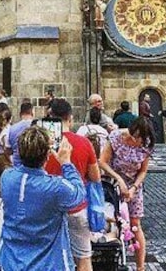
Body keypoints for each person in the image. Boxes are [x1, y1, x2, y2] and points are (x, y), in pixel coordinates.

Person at [0, 127, 85, 271]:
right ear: (47, 154)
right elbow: (78, 194)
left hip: (12, 260)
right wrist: (66, 163)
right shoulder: (56, 187)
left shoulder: (7, 177)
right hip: (48, 263)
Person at [45, 99, 100, 271]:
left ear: (50, 117)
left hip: (49, 208)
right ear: (70, 118)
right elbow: (95, 177)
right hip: (77, 207)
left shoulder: (44, 145)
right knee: (83, 259)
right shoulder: (84, 143)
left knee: (50, 259)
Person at [99, 116, 154, 270]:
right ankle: (110, 258)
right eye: (136, 138)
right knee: (113, 221)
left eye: (141, 140)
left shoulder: (146, 144)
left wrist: (134, 187)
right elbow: (102, 161)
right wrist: (119, 180)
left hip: (134, 186)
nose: (138, 143)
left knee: (135, 224)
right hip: (113, 184)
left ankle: (140, 267)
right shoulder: (116, 137)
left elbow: (143, 171)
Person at [6, 102, 34, 167]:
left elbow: (8, 150)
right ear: (32, 113)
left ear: (20, 114)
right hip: (34, 166)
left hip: (17, 165)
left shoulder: (12, 129)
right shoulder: (37, 127)